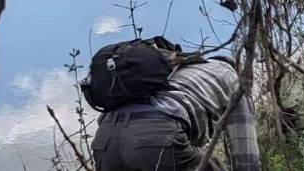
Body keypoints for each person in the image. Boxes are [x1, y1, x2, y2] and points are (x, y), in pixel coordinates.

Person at [91, 55, 262, 170]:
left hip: (105, 139)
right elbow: (245, 151)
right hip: (156, 136)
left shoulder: (175, 68)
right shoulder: (232, 79)